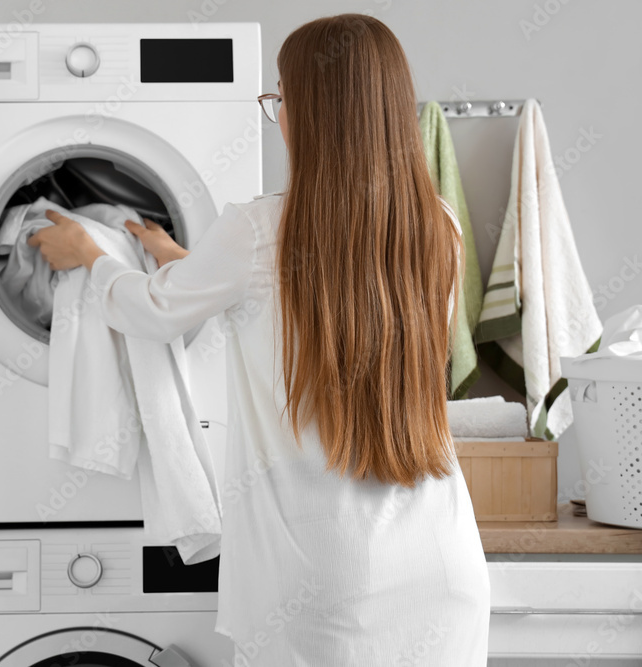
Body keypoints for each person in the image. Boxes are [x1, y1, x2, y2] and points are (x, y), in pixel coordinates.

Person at [28, 13, 490, 666]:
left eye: (280, 98)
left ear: (313, 110)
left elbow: (156, 313)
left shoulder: (255, 230)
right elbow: (313, 297)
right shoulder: (438, 226)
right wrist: (189, 261)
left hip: (321, 578)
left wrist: (89, 254)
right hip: (442, 564)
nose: (278, 113)